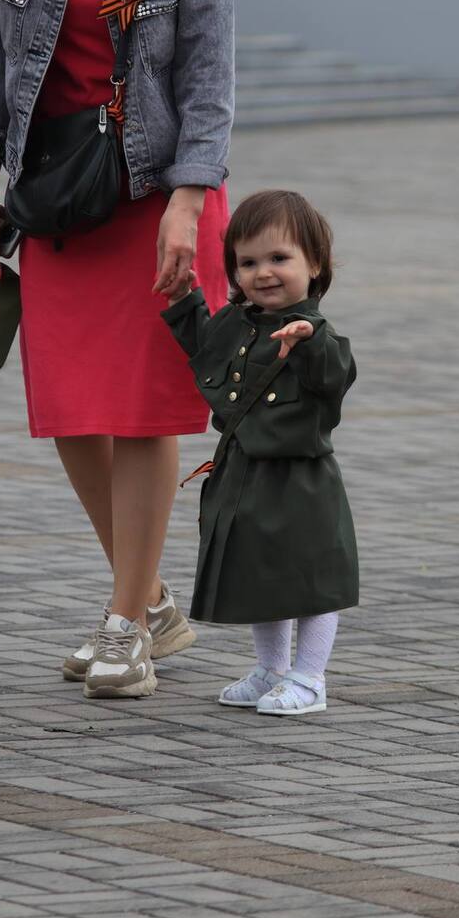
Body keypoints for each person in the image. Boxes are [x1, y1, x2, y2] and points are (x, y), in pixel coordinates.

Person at [0, 0, 234, 699]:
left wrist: (188, 204)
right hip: (58, 191)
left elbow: (209, 70)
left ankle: (126, 623)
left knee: (141, 410)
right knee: (71, 409)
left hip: (158, 192)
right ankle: (150, 601)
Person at [162, 190, 359, 716]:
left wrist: (309, 339)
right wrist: (185, 303)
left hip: (300, 480)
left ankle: (310, 678)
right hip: (243, 473)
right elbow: (208, 352)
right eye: (247, 262)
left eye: (279, 258)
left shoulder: (320, 336)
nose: (263, 273)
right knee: (261, 577)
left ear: (314, 264)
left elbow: (334, 376)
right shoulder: (237, 322)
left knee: (313, 582)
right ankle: (272, 670)